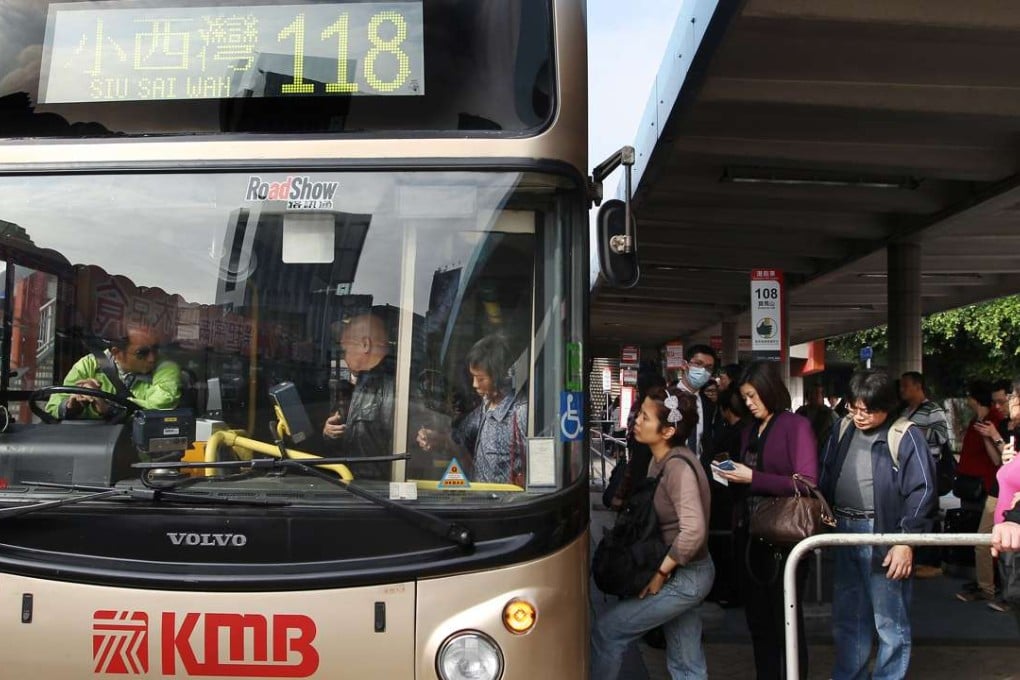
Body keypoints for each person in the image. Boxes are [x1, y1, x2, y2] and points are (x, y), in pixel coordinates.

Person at [819, 370, 937, 680]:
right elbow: (825, 471)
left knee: (890, 620)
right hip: (843, 528)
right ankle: (849, 675)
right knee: (848, 615)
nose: (859, 416)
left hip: (884, 533)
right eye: (854, 407)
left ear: (887, 406)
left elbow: (923, 490)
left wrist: (905, 540)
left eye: (868, 410)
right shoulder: (843, 427)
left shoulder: (905, 434)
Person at [591, 387, 714, 680]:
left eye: (645, 417)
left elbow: (693, 531)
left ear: (668, 431)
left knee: (609, 631)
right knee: (686, 660)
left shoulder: (678, 469)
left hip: (685, 576)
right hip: (683, 571)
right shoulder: (660, 459)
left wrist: (660, 573)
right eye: (639, 413)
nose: (636, 420)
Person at [714, 360, 818, 680]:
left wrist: (752, 478)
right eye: (744, 397)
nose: (749, 403)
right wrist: (728, 474)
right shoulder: (749, 429)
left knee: (786, 620)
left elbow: (807, 483)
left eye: (753, 396)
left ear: (769, 390)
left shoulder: (795, 426)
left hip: (784, 537)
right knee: (758, 622)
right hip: (749, 533)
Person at [416, 335, 527, 484]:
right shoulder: (486, 406)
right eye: (473, 377)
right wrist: (437, 438)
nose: (474, 384)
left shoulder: (520, 413)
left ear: (499, 377)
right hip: (478, 496)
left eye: (481, 379)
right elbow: (460, 437)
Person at [45, 324, 180, 419]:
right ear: (116, 352)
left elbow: (160, 408)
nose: (152, 358)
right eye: (142, 353)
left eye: (155, 349)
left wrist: (109, 407)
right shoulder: (88, 366)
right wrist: (71, 407)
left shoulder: (165, 368)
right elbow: (52, 407)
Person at [322, 313, 395, 480]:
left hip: (375, 488)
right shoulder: (351, 381)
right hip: (349, 482)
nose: (343, 356)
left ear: (365, 344)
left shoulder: (394, 385)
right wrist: (329, 432)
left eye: (345, 350)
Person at [956, 379, 1004, 603]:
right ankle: (987, 585)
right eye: (996, 402)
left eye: (1003, 402)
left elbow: (998, 459)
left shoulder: (997, 421)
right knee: (981, 536)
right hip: (986, 485)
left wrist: (993, 436)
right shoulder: (987, 421)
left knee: (985, 539)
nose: (999, 407)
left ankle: (991, 587)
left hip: (991, 485)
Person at [899, 371, 951, 579]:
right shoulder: (904, 411)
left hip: (929, 466)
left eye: (906, 385)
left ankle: (931, 561)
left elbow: (942, 436)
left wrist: (915, 433)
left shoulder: (933, 410)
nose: (902, 390)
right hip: (906, 467)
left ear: (918, 386)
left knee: (928, 510)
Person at [675, 344, 718, 457]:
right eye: (698, 364)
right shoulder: (665, 398)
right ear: (684, 365)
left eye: (708, 367)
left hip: (698, 465)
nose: (703, 371)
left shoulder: (708, 405)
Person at [795, 383, 837, 455]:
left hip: (821, 453)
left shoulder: (830, 414)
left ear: (822, 396)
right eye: (810, 393)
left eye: (816, 393)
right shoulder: (801, 412)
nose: (813, 396)